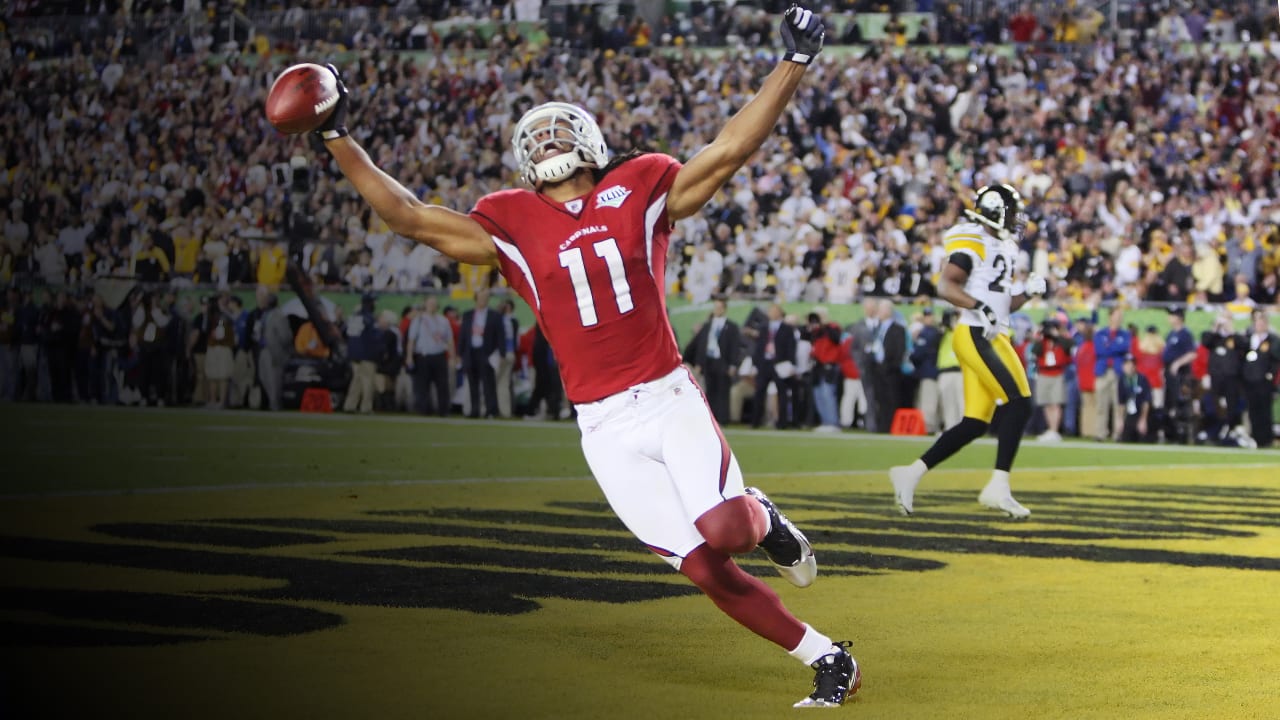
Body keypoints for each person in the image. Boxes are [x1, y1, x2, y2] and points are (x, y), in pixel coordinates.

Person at [309, 6, 857, 707]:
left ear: (591, 139)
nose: (547, 140)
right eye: (533, 136)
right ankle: (828, 656)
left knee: (729, 530)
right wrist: (336, 135)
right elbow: (409, 216)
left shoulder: (640, 186)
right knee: (702, 568)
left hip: (664, 394)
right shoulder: (506, 220)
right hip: (601, 425)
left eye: (559, 127)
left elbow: (726, 151)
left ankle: (765, 515)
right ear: (519, 158)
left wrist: (795, 62)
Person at [888, 184, 1046, 519]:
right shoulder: (971, 237)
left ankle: (910, 473)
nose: (1017, 219)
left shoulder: (1003, 244)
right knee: (1020, 402)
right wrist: (981, 309)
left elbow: (1001, 306)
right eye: (1012, 212)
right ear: (994, 210)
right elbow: (946, 285)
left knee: (975, 422)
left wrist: (1027, 293)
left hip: (992, 332)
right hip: (975, 333)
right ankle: (998, 487)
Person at [683, 296, 742, 426]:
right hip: (708, 362)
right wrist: (698, 363)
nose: (717, 310)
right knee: (710, 390)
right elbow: (700, 345)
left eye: (719, 307)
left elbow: (734, 346)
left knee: (722, 390)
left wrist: (733, 365)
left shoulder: (731, 327)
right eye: (716, 307)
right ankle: (712, 419)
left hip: (723, 362)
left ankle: (723, 418)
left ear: (724, 309)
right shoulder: (708, 325)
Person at [1242, 309, 1280, 448]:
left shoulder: (1272, 340)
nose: (1259, 325)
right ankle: (1255, 437)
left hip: (1264, 381)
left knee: (1265, 410)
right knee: (1253, 410)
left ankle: (1266, 438)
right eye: (1257, 322)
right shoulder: (1248, 339)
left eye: (1262, 322)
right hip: (1250, 380)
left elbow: (1275, 359)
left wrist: (1270, 375)